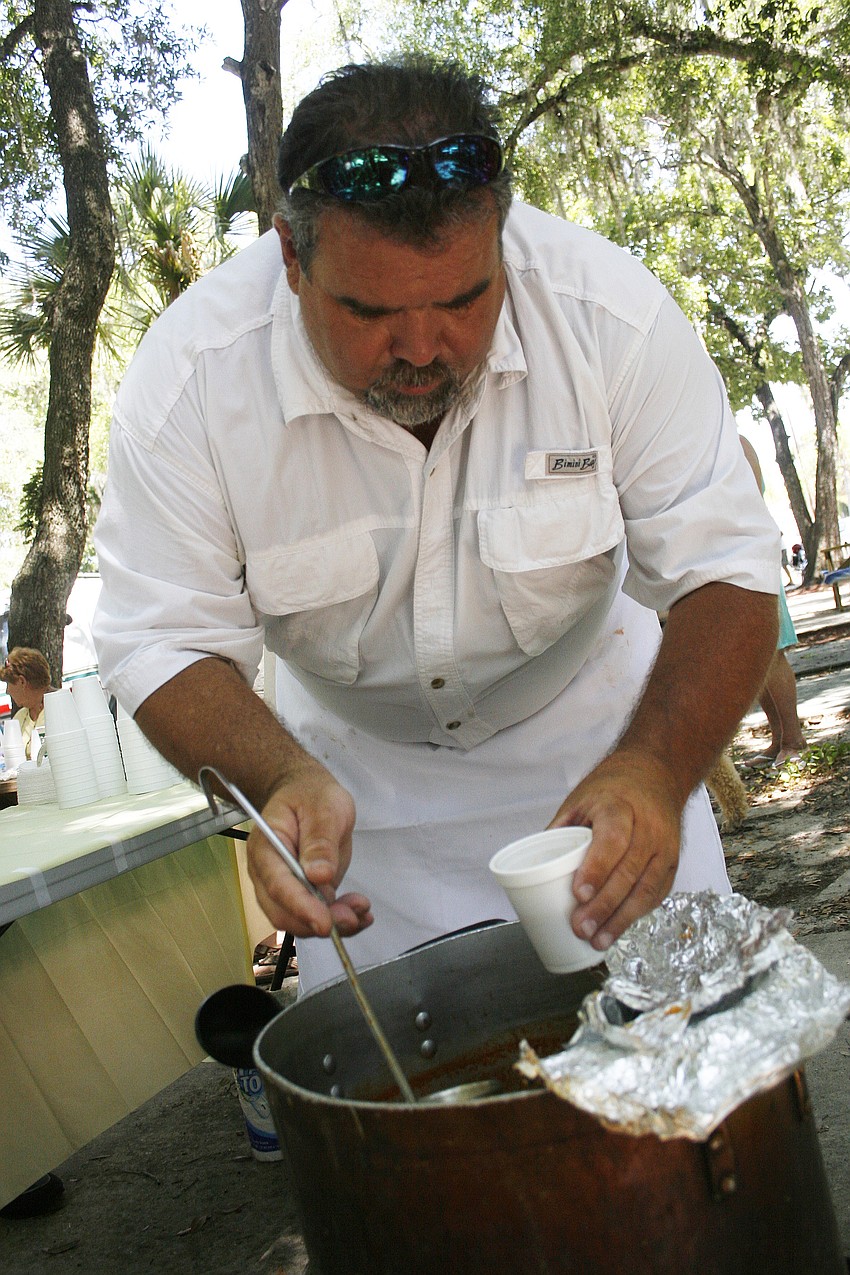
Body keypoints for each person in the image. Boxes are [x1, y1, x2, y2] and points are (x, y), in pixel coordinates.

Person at [93, 58, 780, 994]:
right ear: (292, 263)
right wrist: (277, 777)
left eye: (463, 301)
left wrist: (657, 771)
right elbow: (160, 636)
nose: (422, 349)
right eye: (369, 312)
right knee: (435, 1116)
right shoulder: (190, 384)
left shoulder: (607, 314)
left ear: (502, 237)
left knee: (693, 1066)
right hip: (355, 795)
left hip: (610, 744)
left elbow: (728, 568)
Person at [739, 438, 808, 767]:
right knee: (754, 655)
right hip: (736, 561)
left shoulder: (735, 444)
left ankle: (795, 740)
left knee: (772, 652)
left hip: (753, 556)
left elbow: (745, 503)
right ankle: (778, 738)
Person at [0, 647, 56, 760]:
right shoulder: (19, 717)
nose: (7, 691)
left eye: (9, 684)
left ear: (22, 681)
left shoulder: (58, 709)